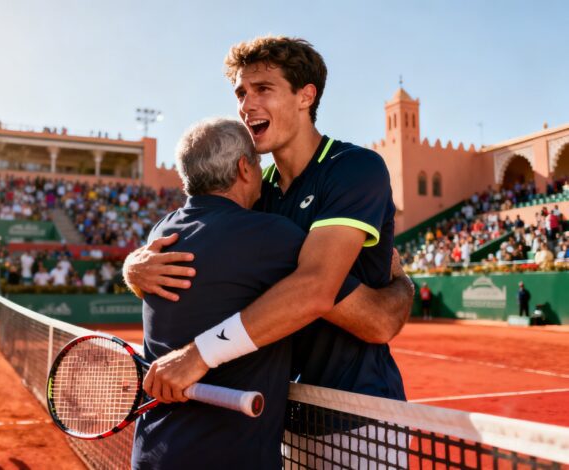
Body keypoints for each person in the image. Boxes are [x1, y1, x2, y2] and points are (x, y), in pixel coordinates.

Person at [125, 38, 411, 465]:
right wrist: (134, 265)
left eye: (263, 89)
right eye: (241, 92)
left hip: (357, 413)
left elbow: (319, 290)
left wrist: (197, 355)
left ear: (305, 96)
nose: (247, 105)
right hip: (281, 414)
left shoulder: (354, 167)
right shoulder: (257, 192)